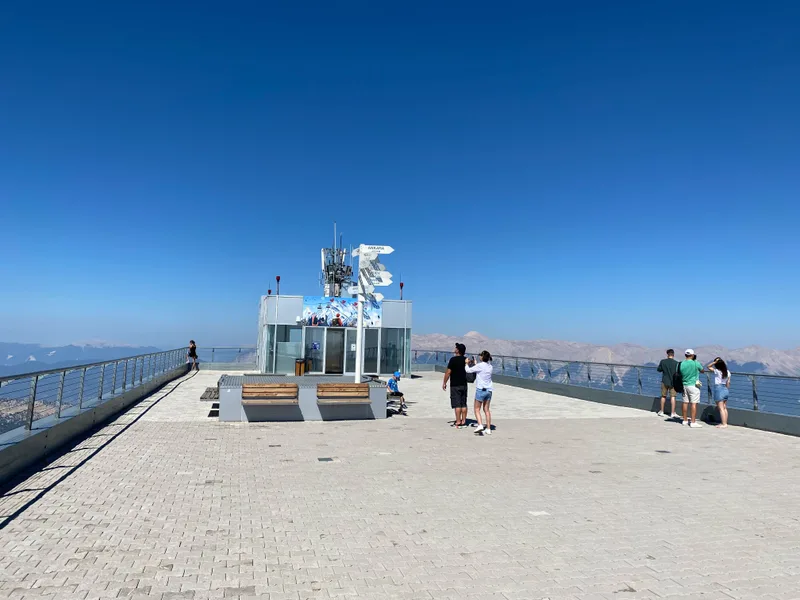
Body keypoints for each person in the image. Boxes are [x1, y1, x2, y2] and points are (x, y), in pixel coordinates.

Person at [465, 351, 494, 435]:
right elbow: (482, 369)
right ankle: (488, 428)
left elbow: (468, 370)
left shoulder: (479, 366)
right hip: (489, 390)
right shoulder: (490, 367)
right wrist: (476, 364)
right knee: (486, 410)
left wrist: (466, 363)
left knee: (477, 409)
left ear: (481, 357)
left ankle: (480, 424)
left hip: (480, 390)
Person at [442, 343, 468, 428]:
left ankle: (458, 421)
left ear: (458, 350)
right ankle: (464, 420)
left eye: (456, 348)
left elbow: (448, 372)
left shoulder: (453, 360)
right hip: (464, 384)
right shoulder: (466, 360)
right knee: (463, 403)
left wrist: (444, 382)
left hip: (455, 385)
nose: (454, 349)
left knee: (457, 404)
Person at [679, 349, 704, 427]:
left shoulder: (681, 363)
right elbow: (702, 370)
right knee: (694, 403)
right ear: (693, 355)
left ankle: (685, 420)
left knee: (685, 402)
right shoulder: (695, 363)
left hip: (684, 385)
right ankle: (693, 422)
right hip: (693, 385)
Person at [707, 357, 731, 428]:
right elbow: (728, 383)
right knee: (724, 407)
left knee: (721, 408)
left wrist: (714, 362)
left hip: (719, 389)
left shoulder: (717, 371)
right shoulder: (728, 372)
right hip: (725, 389)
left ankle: (723, 424)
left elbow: (708, 367)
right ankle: (725, 422)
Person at [656, 349, 680, 418]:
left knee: (663, 396)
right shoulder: (676, 363)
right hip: (673, 382)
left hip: (664, 381)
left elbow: (659, 370)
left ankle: (662, 411)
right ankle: (672, 412)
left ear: (667, 354)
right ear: (673, 354)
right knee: (673, 397)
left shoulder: (663, 362)